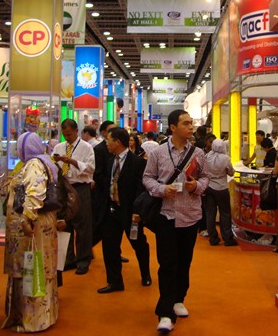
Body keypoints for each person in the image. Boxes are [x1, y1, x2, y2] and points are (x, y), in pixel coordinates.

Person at [143, 109, 209, 332]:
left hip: (190, 216)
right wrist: (162, 189)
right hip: (166, 215)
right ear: (173, 127)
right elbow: (147, 178)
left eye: (191, 123)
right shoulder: (158, 153)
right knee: (167, 264)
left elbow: (206, 178)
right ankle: (165, 312)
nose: (191, 127)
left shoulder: (198, 153)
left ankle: (179, 298)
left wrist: (196, 186)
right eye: (186, 123)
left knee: (184, 261)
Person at [2, 132, 61, 333]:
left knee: (30, 267)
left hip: (32, 228)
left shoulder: (34, 164)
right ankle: (42, 315)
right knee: (38, 265)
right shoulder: (44, 161)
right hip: (42, 225)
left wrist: (26, 219)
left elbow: (35, 193)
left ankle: (32, 318)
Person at [97, 127, 151, 293]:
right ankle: (114, 282)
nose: (106, 144)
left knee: (138, 243)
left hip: (130, 211)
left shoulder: (138, 163)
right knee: (110, 247)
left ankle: (145, 274)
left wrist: (138, 211)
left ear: (118, 142)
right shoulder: (110, 161)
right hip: (111, 210)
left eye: (109, 140)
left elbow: (141, 189)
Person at [52, 119, 95, 275]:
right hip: (63, 187)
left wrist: (71, 161)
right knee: (65, 223)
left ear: (77, 131)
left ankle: (83, 260)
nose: (67, 137)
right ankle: (68, 258)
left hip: (80, 187)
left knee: (83, 225)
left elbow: (91, 169)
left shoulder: (86, 147)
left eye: (69, 134)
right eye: (64, 134)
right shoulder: (58, 147)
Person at [203, 139, 237, 246]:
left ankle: (213, 238)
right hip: (222, 188)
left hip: (209, 187)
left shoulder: (207, 156)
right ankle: (227, 238)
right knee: (225, 213)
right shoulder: (226, 158)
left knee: (210, 213)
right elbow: (231, 172)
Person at [91, 121, 116, 247]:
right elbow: (97, 173)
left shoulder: (119, 150)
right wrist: (109, 184)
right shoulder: (99, 149)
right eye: (111, 130)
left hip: (115, 196)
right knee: (100, 225)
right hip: (102, 194)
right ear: (103, 133)